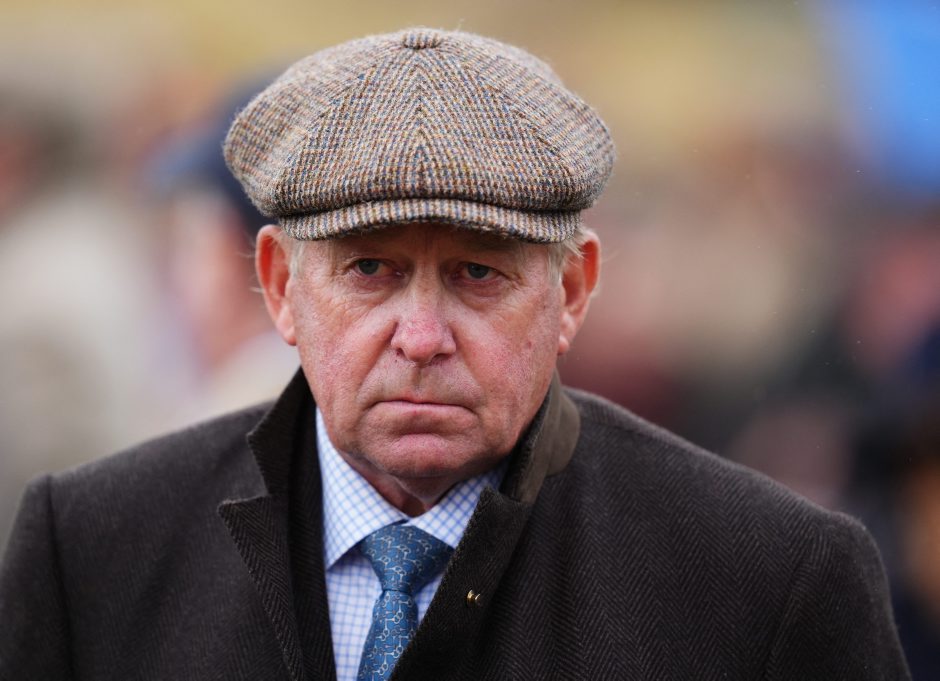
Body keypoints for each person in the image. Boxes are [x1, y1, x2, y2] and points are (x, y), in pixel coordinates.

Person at [0, 27, 910, 680]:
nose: (422, 336)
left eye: (478, 273)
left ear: (573, 291)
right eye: (370, 271)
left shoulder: (769, 580)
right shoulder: (93, 549)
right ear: (278, 285)